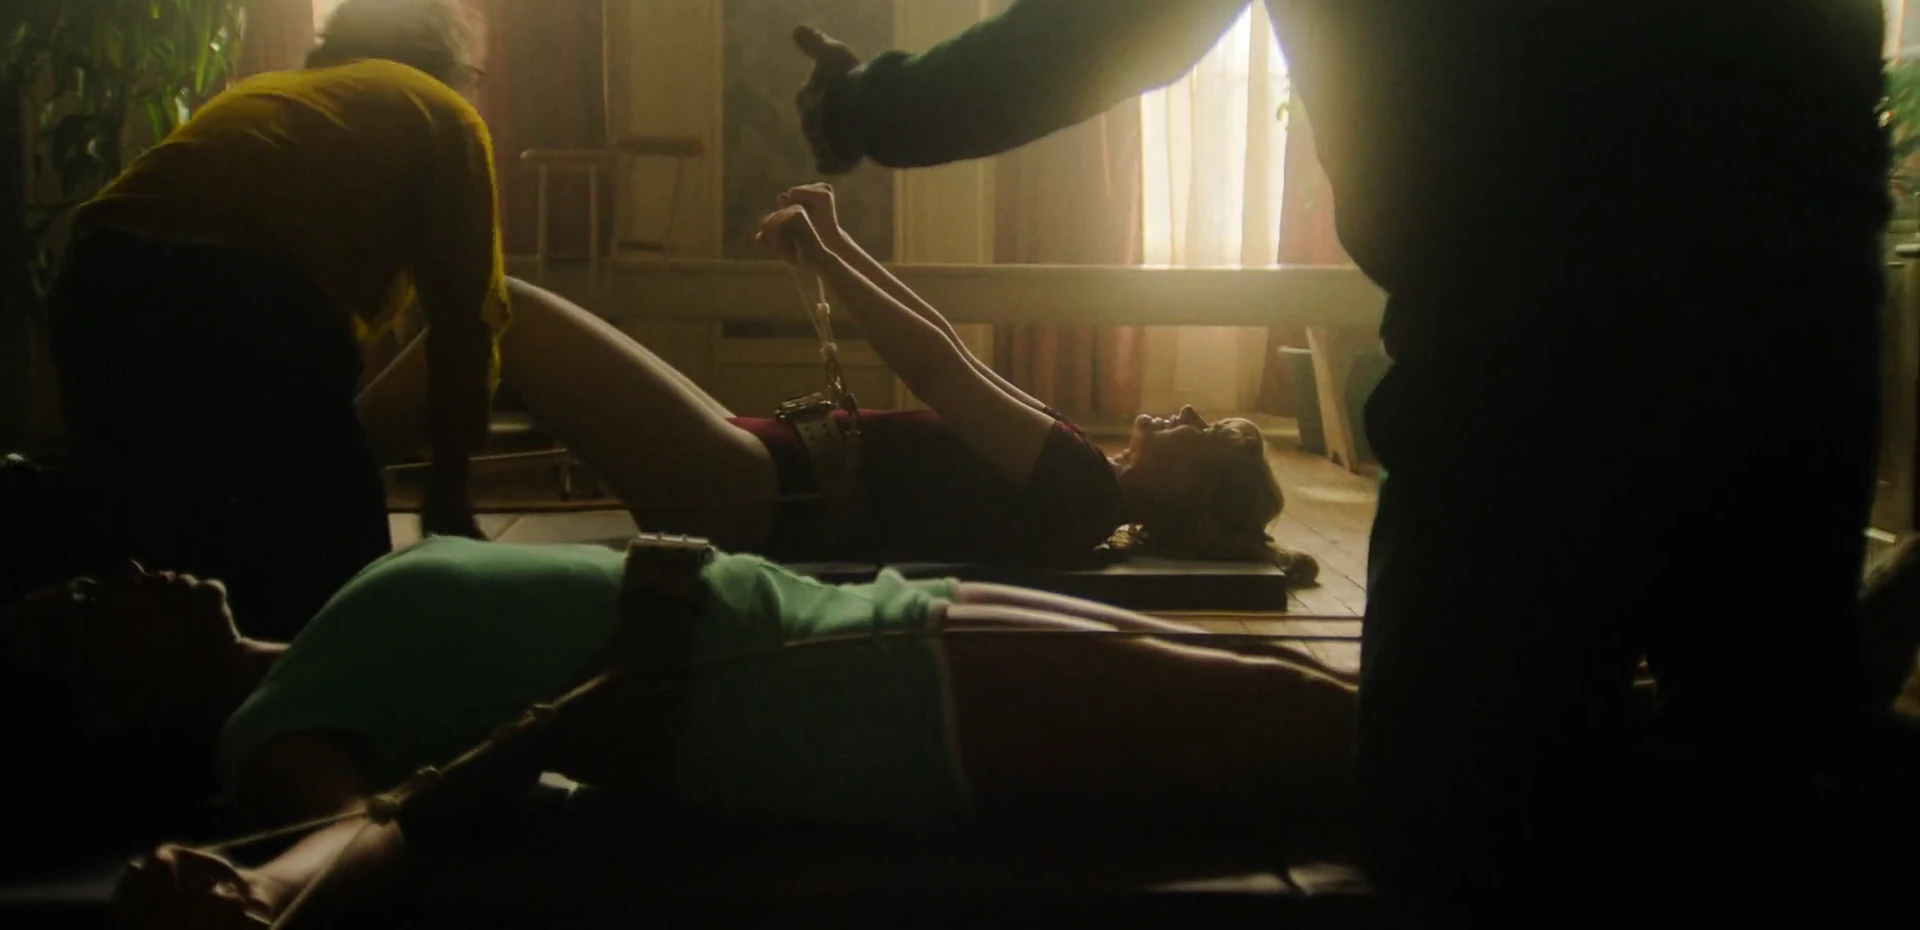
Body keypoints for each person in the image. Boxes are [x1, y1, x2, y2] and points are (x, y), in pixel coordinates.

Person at [783, 0, 1898, 916]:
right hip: (1796, 319)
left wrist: (868, 106)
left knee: (1453, 819)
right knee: (1763, 769)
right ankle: (1829, 719)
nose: (1180, 415)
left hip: (1528, 358)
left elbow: (1095, 27)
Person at [0, 542, 1360, 929]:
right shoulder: (271, 727)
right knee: (1311, 723)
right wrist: (258, 894)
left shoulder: (317, 627)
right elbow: (365, 823)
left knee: (1285, 680)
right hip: (842, 705)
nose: (122, 574)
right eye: (86, 612)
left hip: (852, 613)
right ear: (106, 705)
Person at [357, 184, 1313, 575]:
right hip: (757, 465)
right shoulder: (1080, 477)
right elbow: (953, 349)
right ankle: (333, 455)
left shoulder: (1081, 490)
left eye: (1212, 437)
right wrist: (838, 243)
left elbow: (933, 366)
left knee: (511, 313)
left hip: (751, 485)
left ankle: (323, 458)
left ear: (1194, 506)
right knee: (510, 324)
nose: (1194, 410)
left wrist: (825, 251)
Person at [47, 0, 511, 640]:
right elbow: (466, 318)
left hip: (98, 272)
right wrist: (449, 490)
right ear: (450, 64)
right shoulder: (443, 112)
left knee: (149, 536)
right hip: (249, 294)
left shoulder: (271, 93)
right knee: (329, 555)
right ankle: (321, 682)